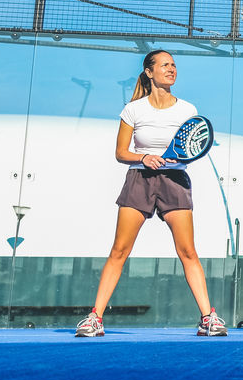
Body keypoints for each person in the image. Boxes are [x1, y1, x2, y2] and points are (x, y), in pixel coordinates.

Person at [76, 50, 228, 337]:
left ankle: (209, 318)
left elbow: (192, 148)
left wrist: (173, 160)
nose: (171, 69)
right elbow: (121, 152)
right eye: (165, 65)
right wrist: (144, 157)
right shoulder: (133, 110)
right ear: (149, 72)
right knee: (119, 250)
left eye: (173, 65)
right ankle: (94, 318)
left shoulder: (187, 109)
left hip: (174, 181)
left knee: (188, 252)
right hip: (139, 180)